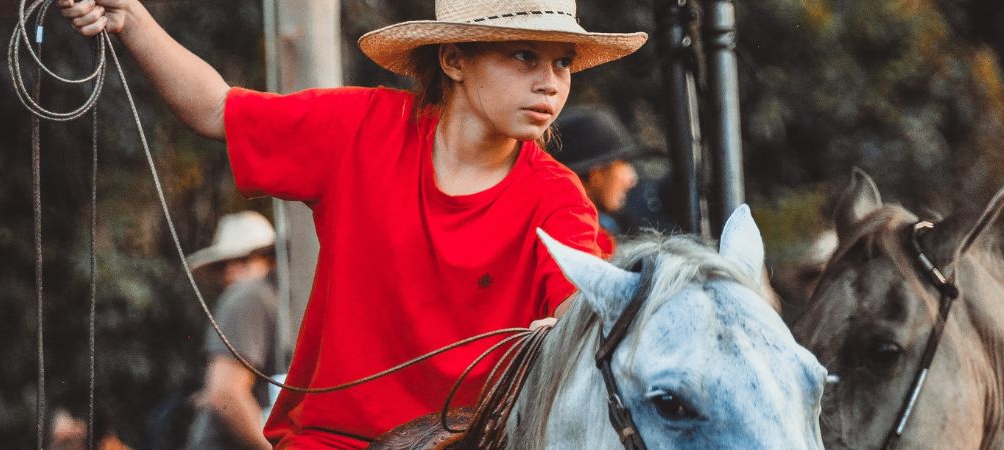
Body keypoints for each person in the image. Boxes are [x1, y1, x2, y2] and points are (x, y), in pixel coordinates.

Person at [56, 0, 648, 447]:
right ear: (453, 59)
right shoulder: (361, 129)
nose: (551, 81)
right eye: (524, 55)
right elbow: (215, 108)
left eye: (563, 61)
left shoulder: (558, 198)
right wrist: (131, 16)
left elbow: (583, 320)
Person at [184, 211, 281, 450]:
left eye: (244, 261)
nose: (231, 272)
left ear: (270, 260)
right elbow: (226, 393)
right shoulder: (249, 296)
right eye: (224, 266)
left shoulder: (264, 298)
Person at [550, 106, 641, 257]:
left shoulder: (604, 228)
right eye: (624, 163)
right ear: (596, 175)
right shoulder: (577, 242)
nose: (632, 179)